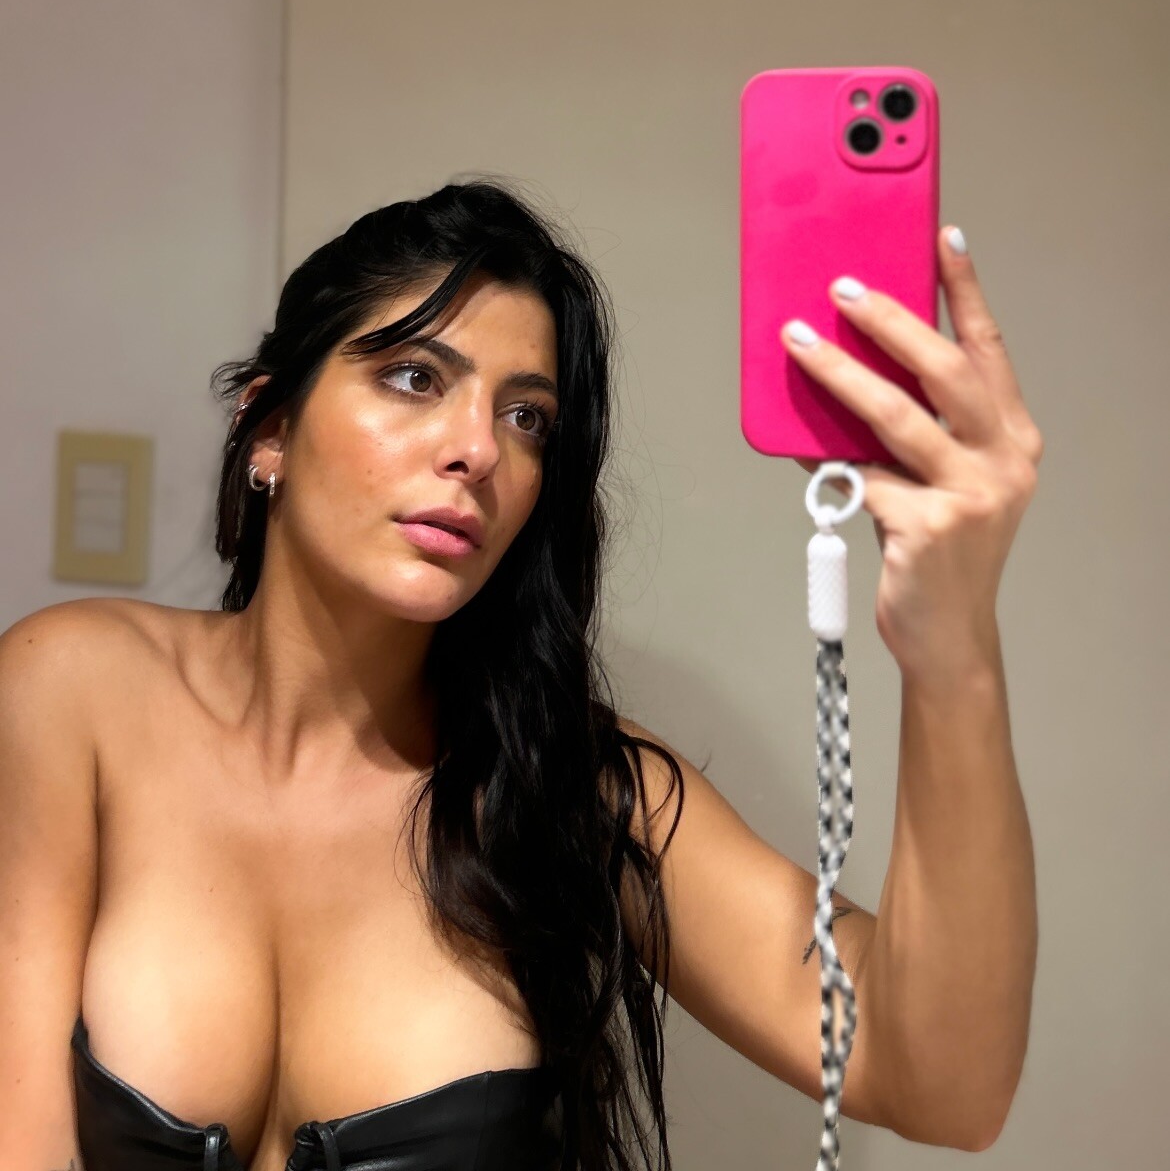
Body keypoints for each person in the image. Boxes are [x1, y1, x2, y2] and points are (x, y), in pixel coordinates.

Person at [0, 179, 1041, 1169]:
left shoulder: (571, 783)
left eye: (526, 416)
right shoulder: (72, 689)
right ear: (268, 426)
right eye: (416, 377)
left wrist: (955, 646)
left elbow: (939, 1083)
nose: (478, 450)